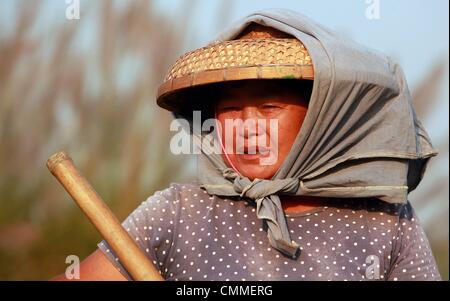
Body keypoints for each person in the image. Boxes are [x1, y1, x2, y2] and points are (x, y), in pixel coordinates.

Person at [54, 9, 441, 281]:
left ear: (319, 120)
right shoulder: (178, 213)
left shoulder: (387, 222)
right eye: (231, 109)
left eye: (269, 107)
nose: (247, 128)